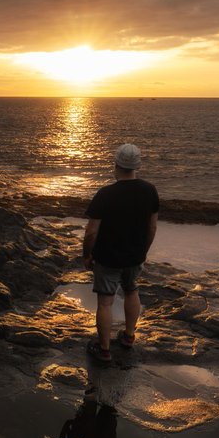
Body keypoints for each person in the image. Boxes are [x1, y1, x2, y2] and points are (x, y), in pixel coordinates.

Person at [82, 142, 159, 365]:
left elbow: (91, 232)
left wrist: (86, 255)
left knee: (105, 303)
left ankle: (104, 349)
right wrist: (143, 251)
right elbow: (152, 227)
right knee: (131, 291)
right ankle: (128, 336)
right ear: (137, 166)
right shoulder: (150, 191)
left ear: (116, 164)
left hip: (107, 258)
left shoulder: (105, 194)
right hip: (135, 256)